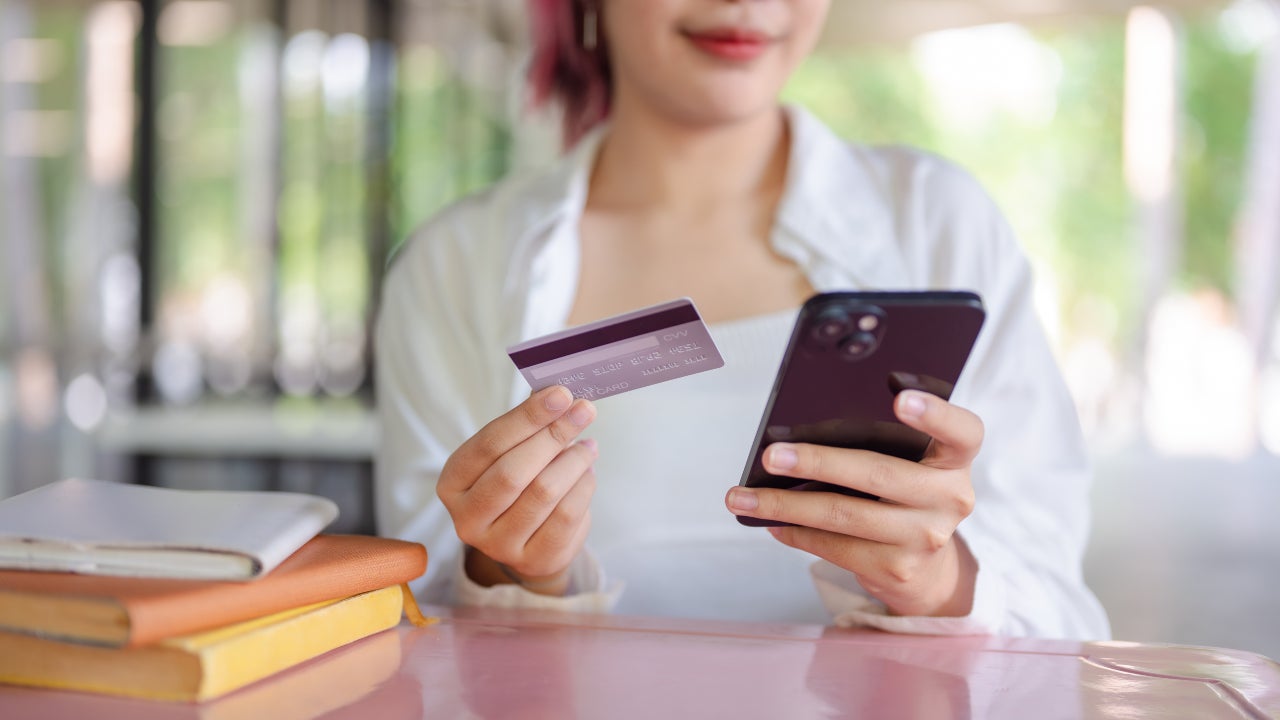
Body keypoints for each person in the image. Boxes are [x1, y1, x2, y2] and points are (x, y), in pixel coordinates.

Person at [376, 0, 1110, 639]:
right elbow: (410, 622)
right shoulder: (453, 266)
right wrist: (509, 570)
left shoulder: (939, 223)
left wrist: (939, 582)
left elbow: (1058, 609)